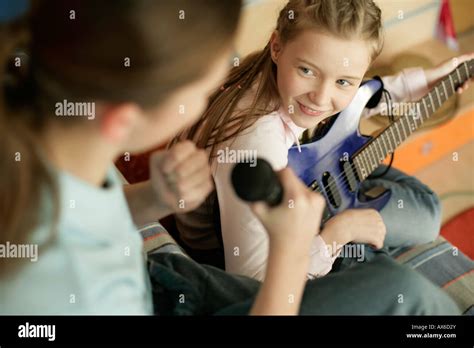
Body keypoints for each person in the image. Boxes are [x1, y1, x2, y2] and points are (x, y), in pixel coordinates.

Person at [0, 0, 460, 316]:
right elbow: (256, 280)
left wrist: (154, 199)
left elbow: (77, 210)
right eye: (205, 86)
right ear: (125, 119)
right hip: (248, 276)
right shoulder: (84, 290)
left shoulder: (58, 154)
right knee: (408, 288)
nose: (218, 95)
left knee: (415, 213)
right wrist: (301, 246)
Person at [172, 0, 474, 281]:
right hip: (241, 243)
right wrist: (338, 233)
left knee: (426, 207)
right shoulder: (256, 144)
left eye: (343, 81)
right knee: (426, 215)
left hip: (308, 171)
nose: (320, 97)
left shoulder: (274, 74)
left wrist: (428, 82)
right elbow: (255, 277)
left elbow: (362, 97)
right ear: (277, 47)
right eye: (307, 71)